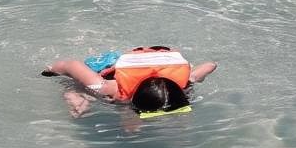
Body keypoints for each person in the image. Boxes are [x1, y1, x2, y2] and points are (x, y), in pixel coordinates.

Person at [41, 46, 218, 119]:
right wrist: (50, 70)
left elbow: (210, 65)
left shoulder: (185, 82)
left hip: (157, 58)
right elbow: (72, 65)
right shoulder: (110, 89)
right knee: (82, 88)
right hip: (117, 65)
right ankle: (71, 93)